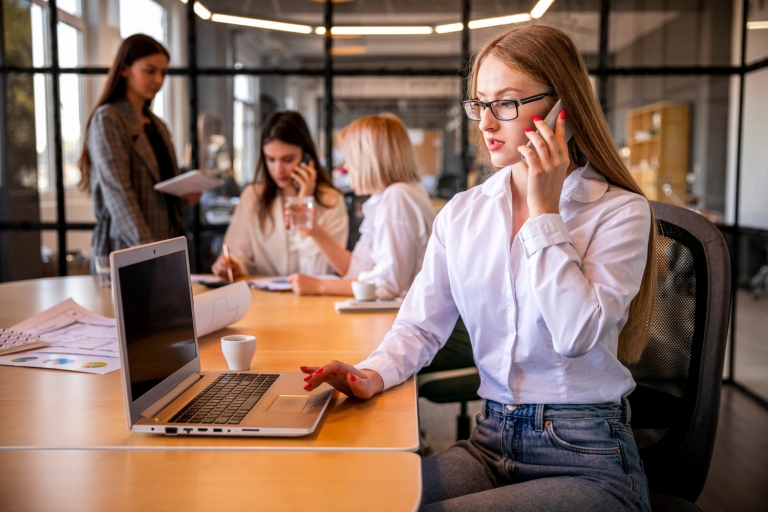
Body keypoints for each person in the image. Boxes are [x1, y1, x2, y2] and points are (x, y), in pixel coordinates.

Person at [302, 24, 656, 512]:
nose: (487, 123)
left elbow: (576, 335)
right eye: (480, 104)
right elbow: (421, 325)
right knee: (367, 500)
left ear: (562, 110)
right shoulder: (463, 213)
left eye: (506, 104)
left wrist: (544, 212)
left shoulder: (619, 212)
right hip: (490, 440)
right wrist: (372, 373)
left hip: (587, 456)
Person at [79, 34, 200, 265]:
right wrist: (149, 251)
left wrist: (184, 194)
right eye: (150, 70)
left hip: (167, 239)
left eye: (163, 73)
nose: (158, 80)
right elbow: (119, 194)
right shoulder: (108, 119)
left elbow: (161, 185)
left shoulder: (157, 124)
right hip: (129, 247)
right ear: (125, 69)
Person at [287, 114, 436, 299]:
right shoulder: (386, 198)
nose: (346, 167)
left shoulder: (398, 197)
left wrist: (319, 285)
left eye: (350, 159)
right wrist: (314, 231)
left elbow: (388, 285)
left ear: (369, 159)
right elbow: (357, 272)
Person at [211, 111, 348, 278]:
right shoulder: (253, 196)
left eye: (287, 159)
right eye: (271, 159)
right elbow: (238, 253)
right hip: (265, 298)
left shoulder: (331, 200)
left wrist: (304, 202)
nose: (278, 170)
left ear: (306, 157)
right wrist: (232, 265)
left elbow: (318, 270)